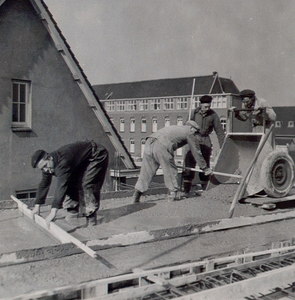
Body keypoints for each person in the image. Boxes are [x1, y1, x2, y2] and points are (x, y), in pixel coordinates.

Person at [31, 140, 109, 226]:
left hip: (96, 154)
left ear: (49, 157)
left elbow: (61, 186)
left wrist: (53, 212)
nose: (45, 170)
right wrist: (37, 206)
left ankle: (91, 218)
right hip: (83, 158)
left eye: (45, 166)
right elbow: (44, 184)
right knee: (70, 181)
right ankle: (72, 212)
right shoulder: (48, 165)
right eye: (42, 168)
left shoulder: (63, 162)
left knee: (86, 185)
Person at [132, 120, 212, 203]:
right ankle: (172, 195)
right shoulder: (190, 133)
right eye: (196, 132)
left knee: (146, 171)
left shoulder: (176, 128)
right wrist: (205, 168)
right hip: (161, 145)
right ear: (191, 128)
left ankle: (137, 195)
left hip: (149, 142)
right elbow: (196, 152)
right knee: (170, 170)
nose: (196, 134)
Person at [182, 95, 225, 196]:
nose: (207, 109)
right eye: (205, 107)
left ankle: (205, 190)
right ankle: (186, 191)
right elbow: (185, 128)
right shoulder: (193, 113)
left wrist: (222, 145)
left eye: (209, 106)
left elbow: (219, 131)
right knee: (189, 165)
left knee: (205, 165)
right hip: (193, 139)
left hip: (205, 140)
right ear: (200, 105)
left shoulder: (213, 115)